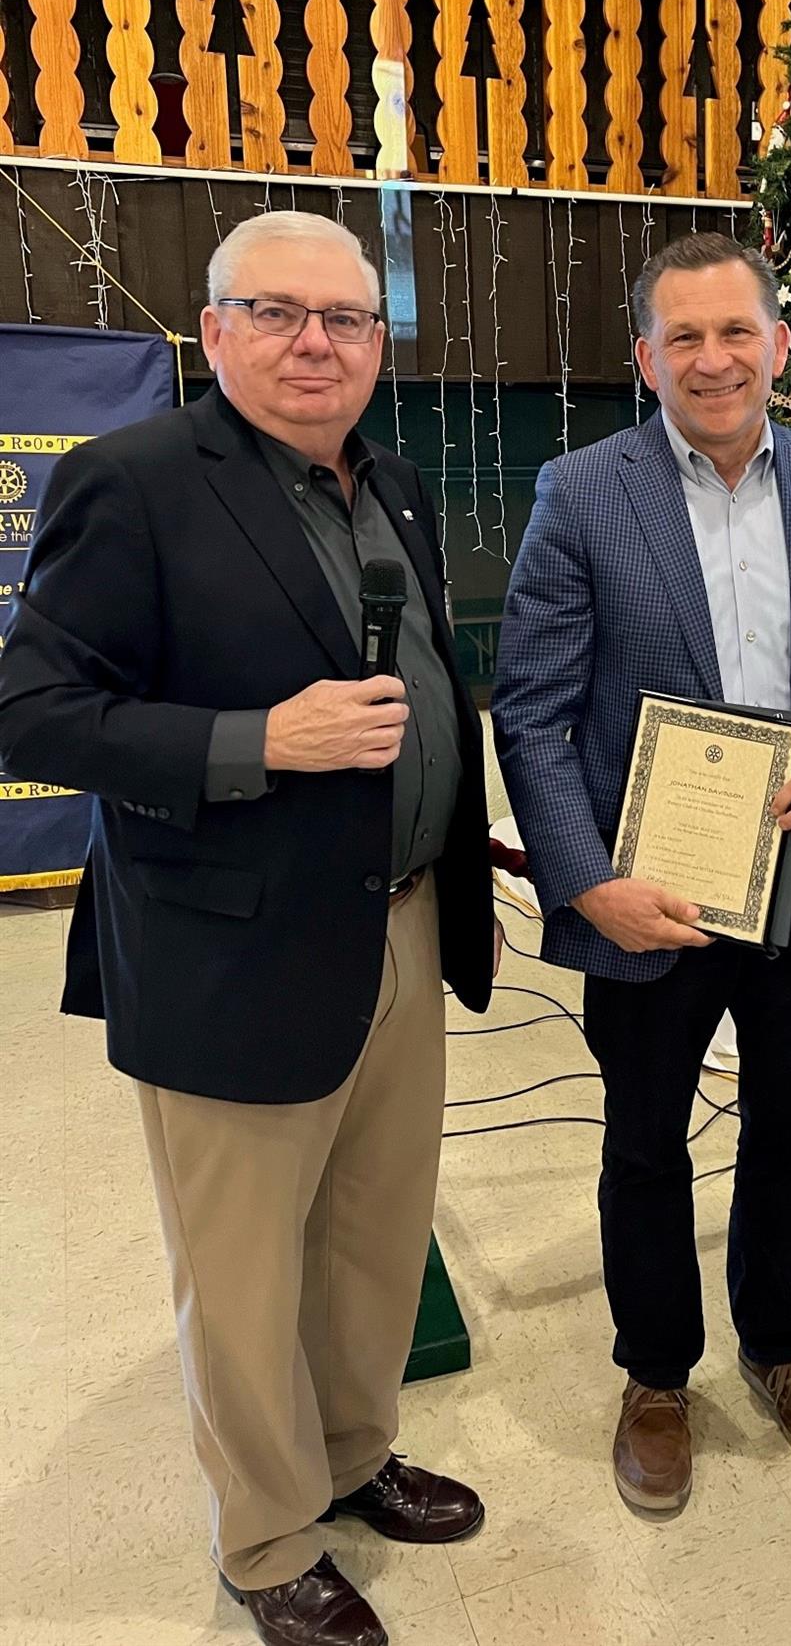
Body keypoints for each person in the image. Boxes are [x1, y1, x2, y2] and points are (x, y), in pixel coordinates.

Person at [0, 212, 498, 1646]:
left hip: (400, 925)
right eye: (276, 312)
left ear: (378, 344)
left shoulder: (393, 483)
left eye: (344, 318)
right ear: (213, 331)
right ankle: (269, 1536)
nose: (313, 343)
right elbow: (33, 712)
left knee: (374, 1235)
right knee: (243, 1272)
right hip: (226, 949)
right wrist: (257, 740)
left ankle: (350, 1456)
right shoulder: (134, 482)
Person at [492, 231, 791, 1512]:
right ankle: (656, 1375)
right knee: (643, 1145)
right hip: (649, 898)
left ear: (779, 345)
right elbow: (532, 709)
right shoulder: (582, 491)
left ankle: (779, 1344)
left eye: (737, 331)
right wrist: (585, 882)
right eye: (685, 336)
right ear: (646, 357)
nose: (714, 359)